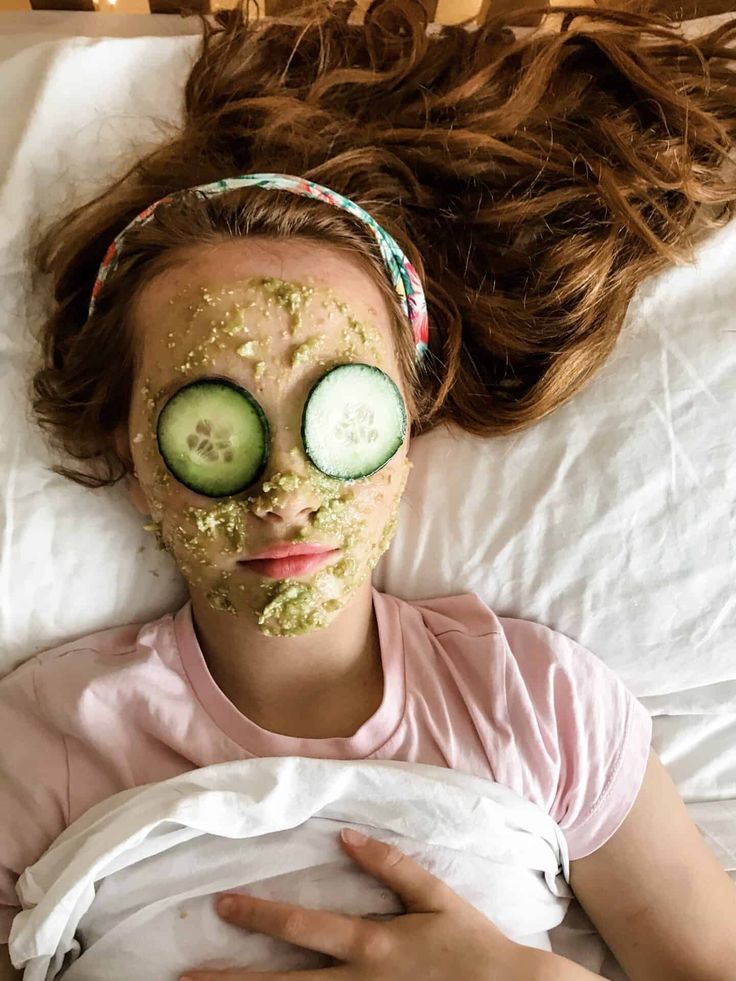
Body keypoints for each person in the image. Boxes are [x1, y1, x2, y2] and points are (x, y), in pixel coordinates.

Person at [3, 1, 736, 978]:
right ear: (133, 461)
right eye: (212, 429)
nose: (283, 493)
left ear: (406, 432)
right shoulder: (50, 733)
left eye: (339, 419)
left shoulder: (540, 706)